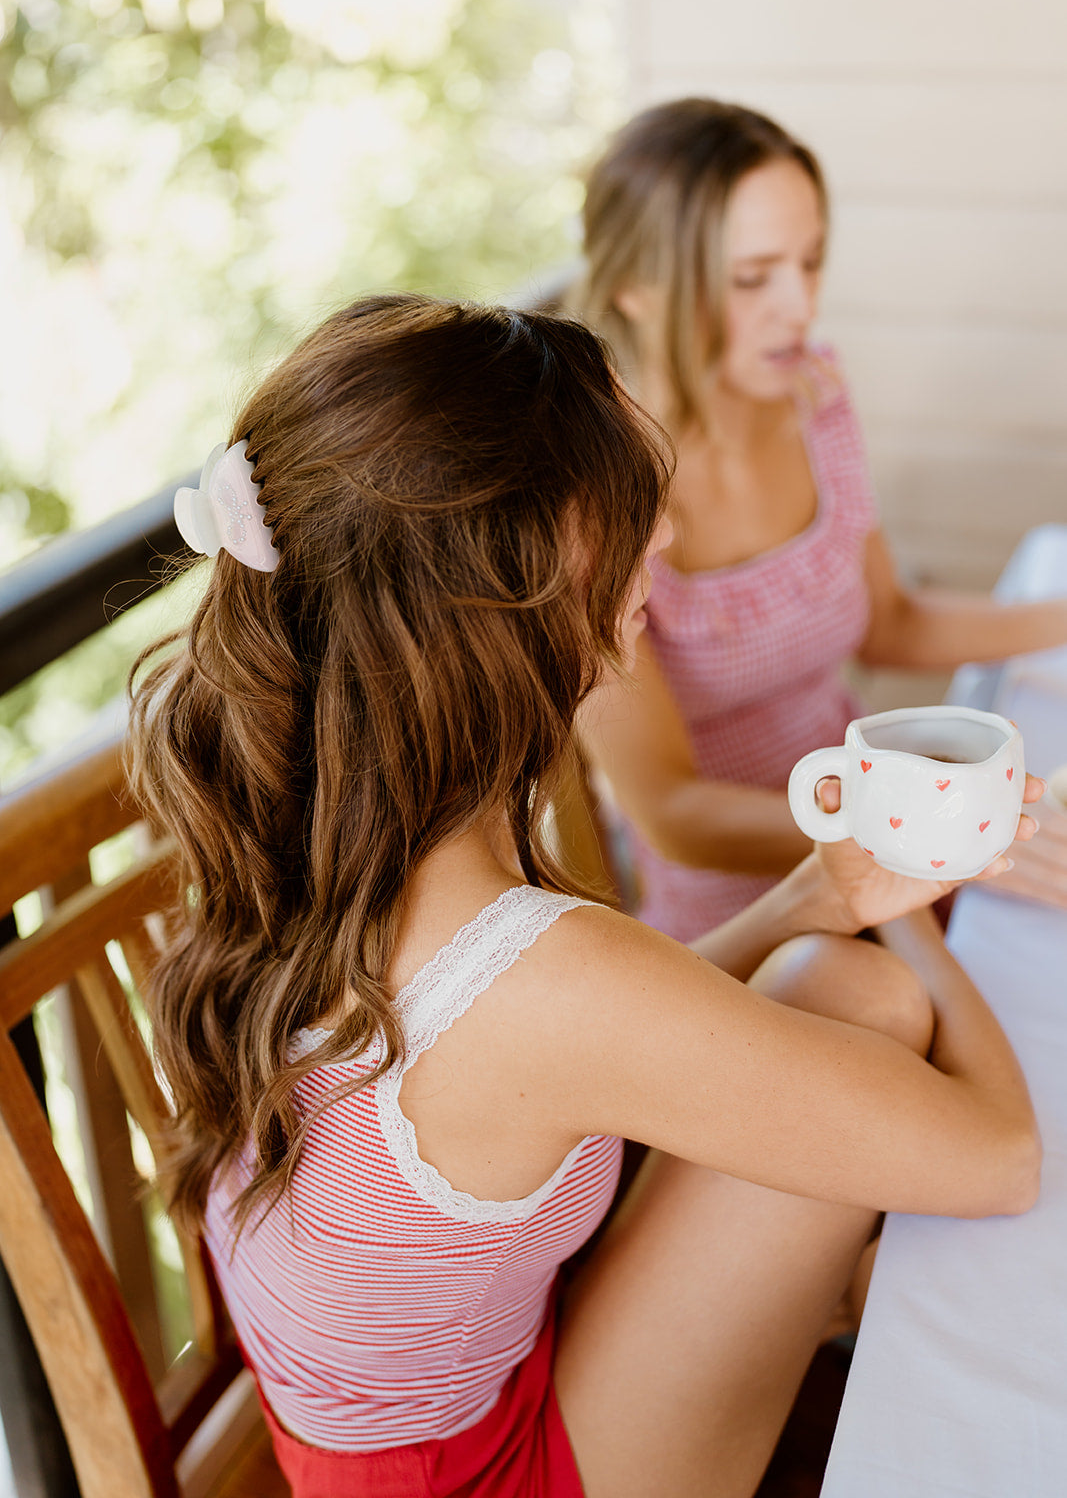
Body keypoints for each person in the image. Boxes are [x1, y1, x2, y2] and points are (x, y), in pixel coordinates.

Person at [128, 295, 1041, 1498]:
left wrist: (820, 892)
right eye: (623, 512)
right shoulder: (530, 970)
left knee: (837, 983)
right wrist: (916, 913)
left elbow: (573, 1042)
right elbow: (1003, 1157)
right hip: (479, 1476)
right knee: (868, 995)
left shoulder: (312, 823)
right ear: (510, 593)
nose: (660, 537)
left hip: (400, 1423)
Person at [571, 97, 1067, 940]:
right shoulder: (589, 501)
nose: (799, 307)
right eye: (752, 277)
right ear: (635, 287)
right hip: (750, 902)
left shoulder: (812, 396)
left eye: (810, 262)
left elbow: (890, 623)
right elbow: (671, 813)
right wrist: (928, 830)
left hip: (893, 829)